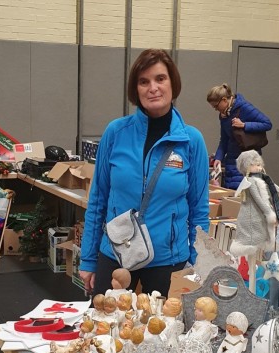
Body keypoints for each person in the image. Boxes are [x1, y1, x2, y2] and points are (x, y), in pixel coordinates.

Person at [79, 49, 210, 298]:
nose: (153, 88)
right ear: (135, 89)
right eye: (144, 81)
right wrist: (87, 259)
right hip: (117, 255)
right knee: (107, 332)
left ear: (173, 83)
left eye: (160, 79)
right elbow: (98, 199)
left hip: (169, 262)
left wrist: (197, 264)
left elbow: (199, 210)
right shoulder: (116, 133)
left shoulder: (191, 141)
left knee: (164, 334)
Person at [207, 83, 272, 190]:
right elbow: (224, 139)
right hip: (231, 160)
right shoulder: (224, 115)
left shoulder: (245, 108)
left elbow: (267, 124)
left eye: (216, 106)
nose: (215, 109)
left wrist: (244, 125)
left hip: (247, 159)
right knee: (232, 193)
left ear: (224, 100)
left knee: (244, 194)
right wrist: (218, 158)